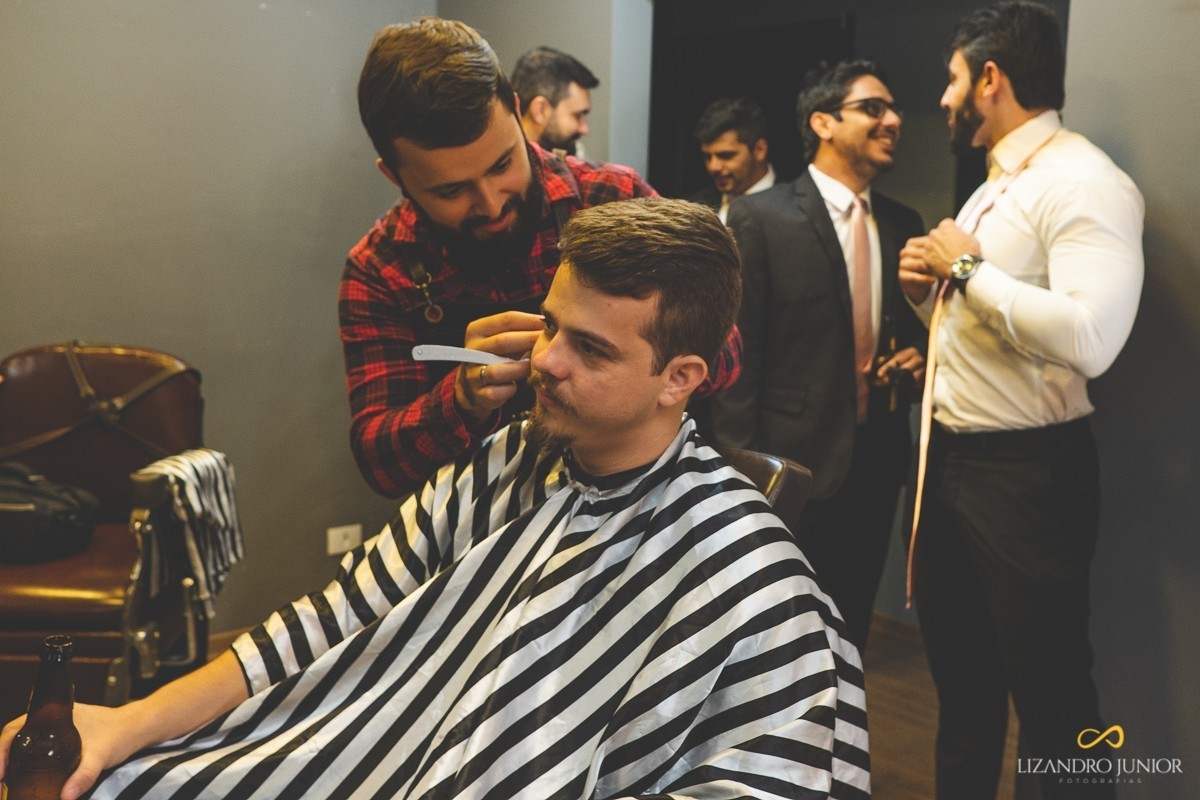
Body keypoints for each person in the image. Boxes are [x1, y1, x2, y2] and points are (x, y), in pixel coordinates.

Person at [1, 199, 871, 800]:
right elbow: (331, 618)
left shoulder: (749, 568)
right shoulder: (511, 461)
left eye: (592, 352)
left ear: (679, 379)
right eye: (551, 326)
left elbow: (768, 775)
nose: (545, 362)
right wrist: (128, 722)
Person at [898, 3, 1143, 797]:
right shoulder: (994, 188)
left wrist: (968, 273)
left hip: (1028, 475)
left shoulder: (1086, 181)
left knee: (1054, 701)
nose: (943, 96)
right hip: (951, 466)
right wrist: (925, 296)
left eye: (953, 77)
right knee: (962, 692)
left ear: (991, 78)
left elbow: (1092, 338)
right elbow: (984, 330)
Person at [342, 18, 739, 498]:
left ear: (514, 110)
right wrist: (461, 399)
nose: (490, 204)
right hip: (474, 522)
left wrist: (625, 367)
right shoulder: (381, 268)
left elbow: (726, 352)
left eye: (502, 164)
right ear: (394, 175)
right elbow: (381, 463)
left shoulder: (612, 197)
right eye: (451, 190)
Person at [710, 60, 924, 653]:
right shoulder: (763, 216)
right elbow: (736, 356)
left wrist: (914, 359)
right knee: (771, 629)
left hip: (878, 459)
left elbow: (914, 334)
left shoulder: (904, 223)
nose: (893, 121)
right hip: (790, 462)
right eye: (874, 108)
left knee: (847, 627)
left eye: (894, 109)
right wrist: (739, 471)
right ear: (823, 122)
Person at [689, 97, 775, 224]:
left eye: (726, 156)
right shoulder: (694, 209)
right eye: (707, 157)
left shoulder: (796, 206)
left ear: (759, 150)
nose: (713, 167)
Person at [510, 45, 597, 157]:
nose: (585, 129)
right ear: (540, 110)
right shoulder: (499, 167)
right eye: (577, 115)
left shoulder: (573, 159)